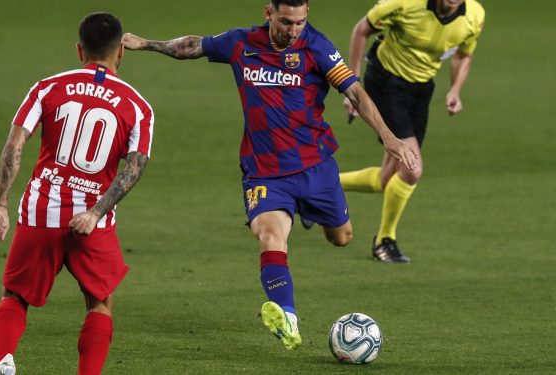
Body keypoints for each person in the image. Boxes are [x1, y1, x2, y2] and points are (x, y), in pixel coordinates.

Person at [121, 0, 417, 350]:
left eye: (300, 22)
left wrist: (387, 136)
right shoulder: (241, 42)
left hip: (315, 166)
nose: (294, 30)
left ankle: (308, 212)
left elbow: (355, 91)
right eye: (287, 22)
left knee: (342, 238)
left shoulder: (316, 47)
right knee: (271, 238)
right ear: (269, 13)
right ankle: (288, 318)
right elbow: (192, 46)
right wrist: (148, 44)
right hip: (264, 172)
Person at [0, 12, 154, 375]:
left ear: (79, 50)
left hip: (40, 210)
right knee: (99, 303)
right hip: (93, 220)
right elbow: (134, 168)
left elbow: (14, 145)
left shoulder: (48, 87)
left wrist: (0, 204)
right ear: (120, 51)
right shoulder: (138, 106)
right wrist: (95, 212)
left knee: (14, 295)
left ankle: (4, 362)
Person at [340, 0, 485, 263]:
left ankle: (316, 188)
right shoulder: (405, 4)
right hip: (386, 82)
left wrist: (455, 89)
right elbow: (361, 30)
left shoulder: (474, 15)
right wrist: (353, 85)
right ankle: (385, 241)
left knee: (388, 178)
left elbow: (464, 53)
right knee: (411, 168)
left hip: (421, 89)